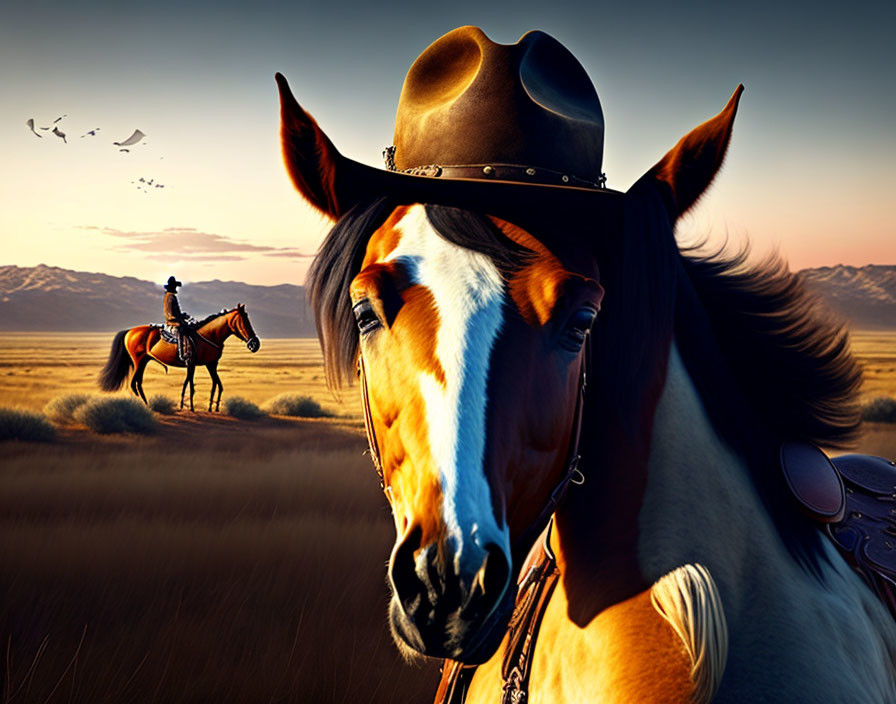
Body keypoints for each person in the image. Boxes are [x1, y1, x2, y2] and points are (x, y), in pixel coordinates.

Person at [162, 276, 196, 364]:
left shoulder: (171, 296)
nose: (176, 288)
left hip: (175, 320)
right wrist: (180, 319)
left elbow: (177, 313)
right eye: (174, 286)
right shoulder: (170, 297)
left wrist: (184, 316)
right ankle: (183, 354)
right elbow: (170, 314)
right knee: (182, 332)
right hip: (172, 322)